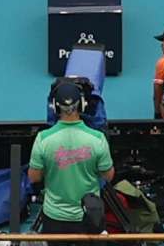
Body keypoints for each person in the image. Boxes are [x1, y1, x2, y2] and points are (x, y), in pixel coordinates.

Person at [28, 79, 114, 232]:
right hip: (90, 217)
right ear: (82, 105)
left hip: (54, 218)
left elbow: (34, 177)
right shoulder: (98, 139)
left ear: (55, 107)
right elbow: (108, 176)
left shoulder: (43, 139)